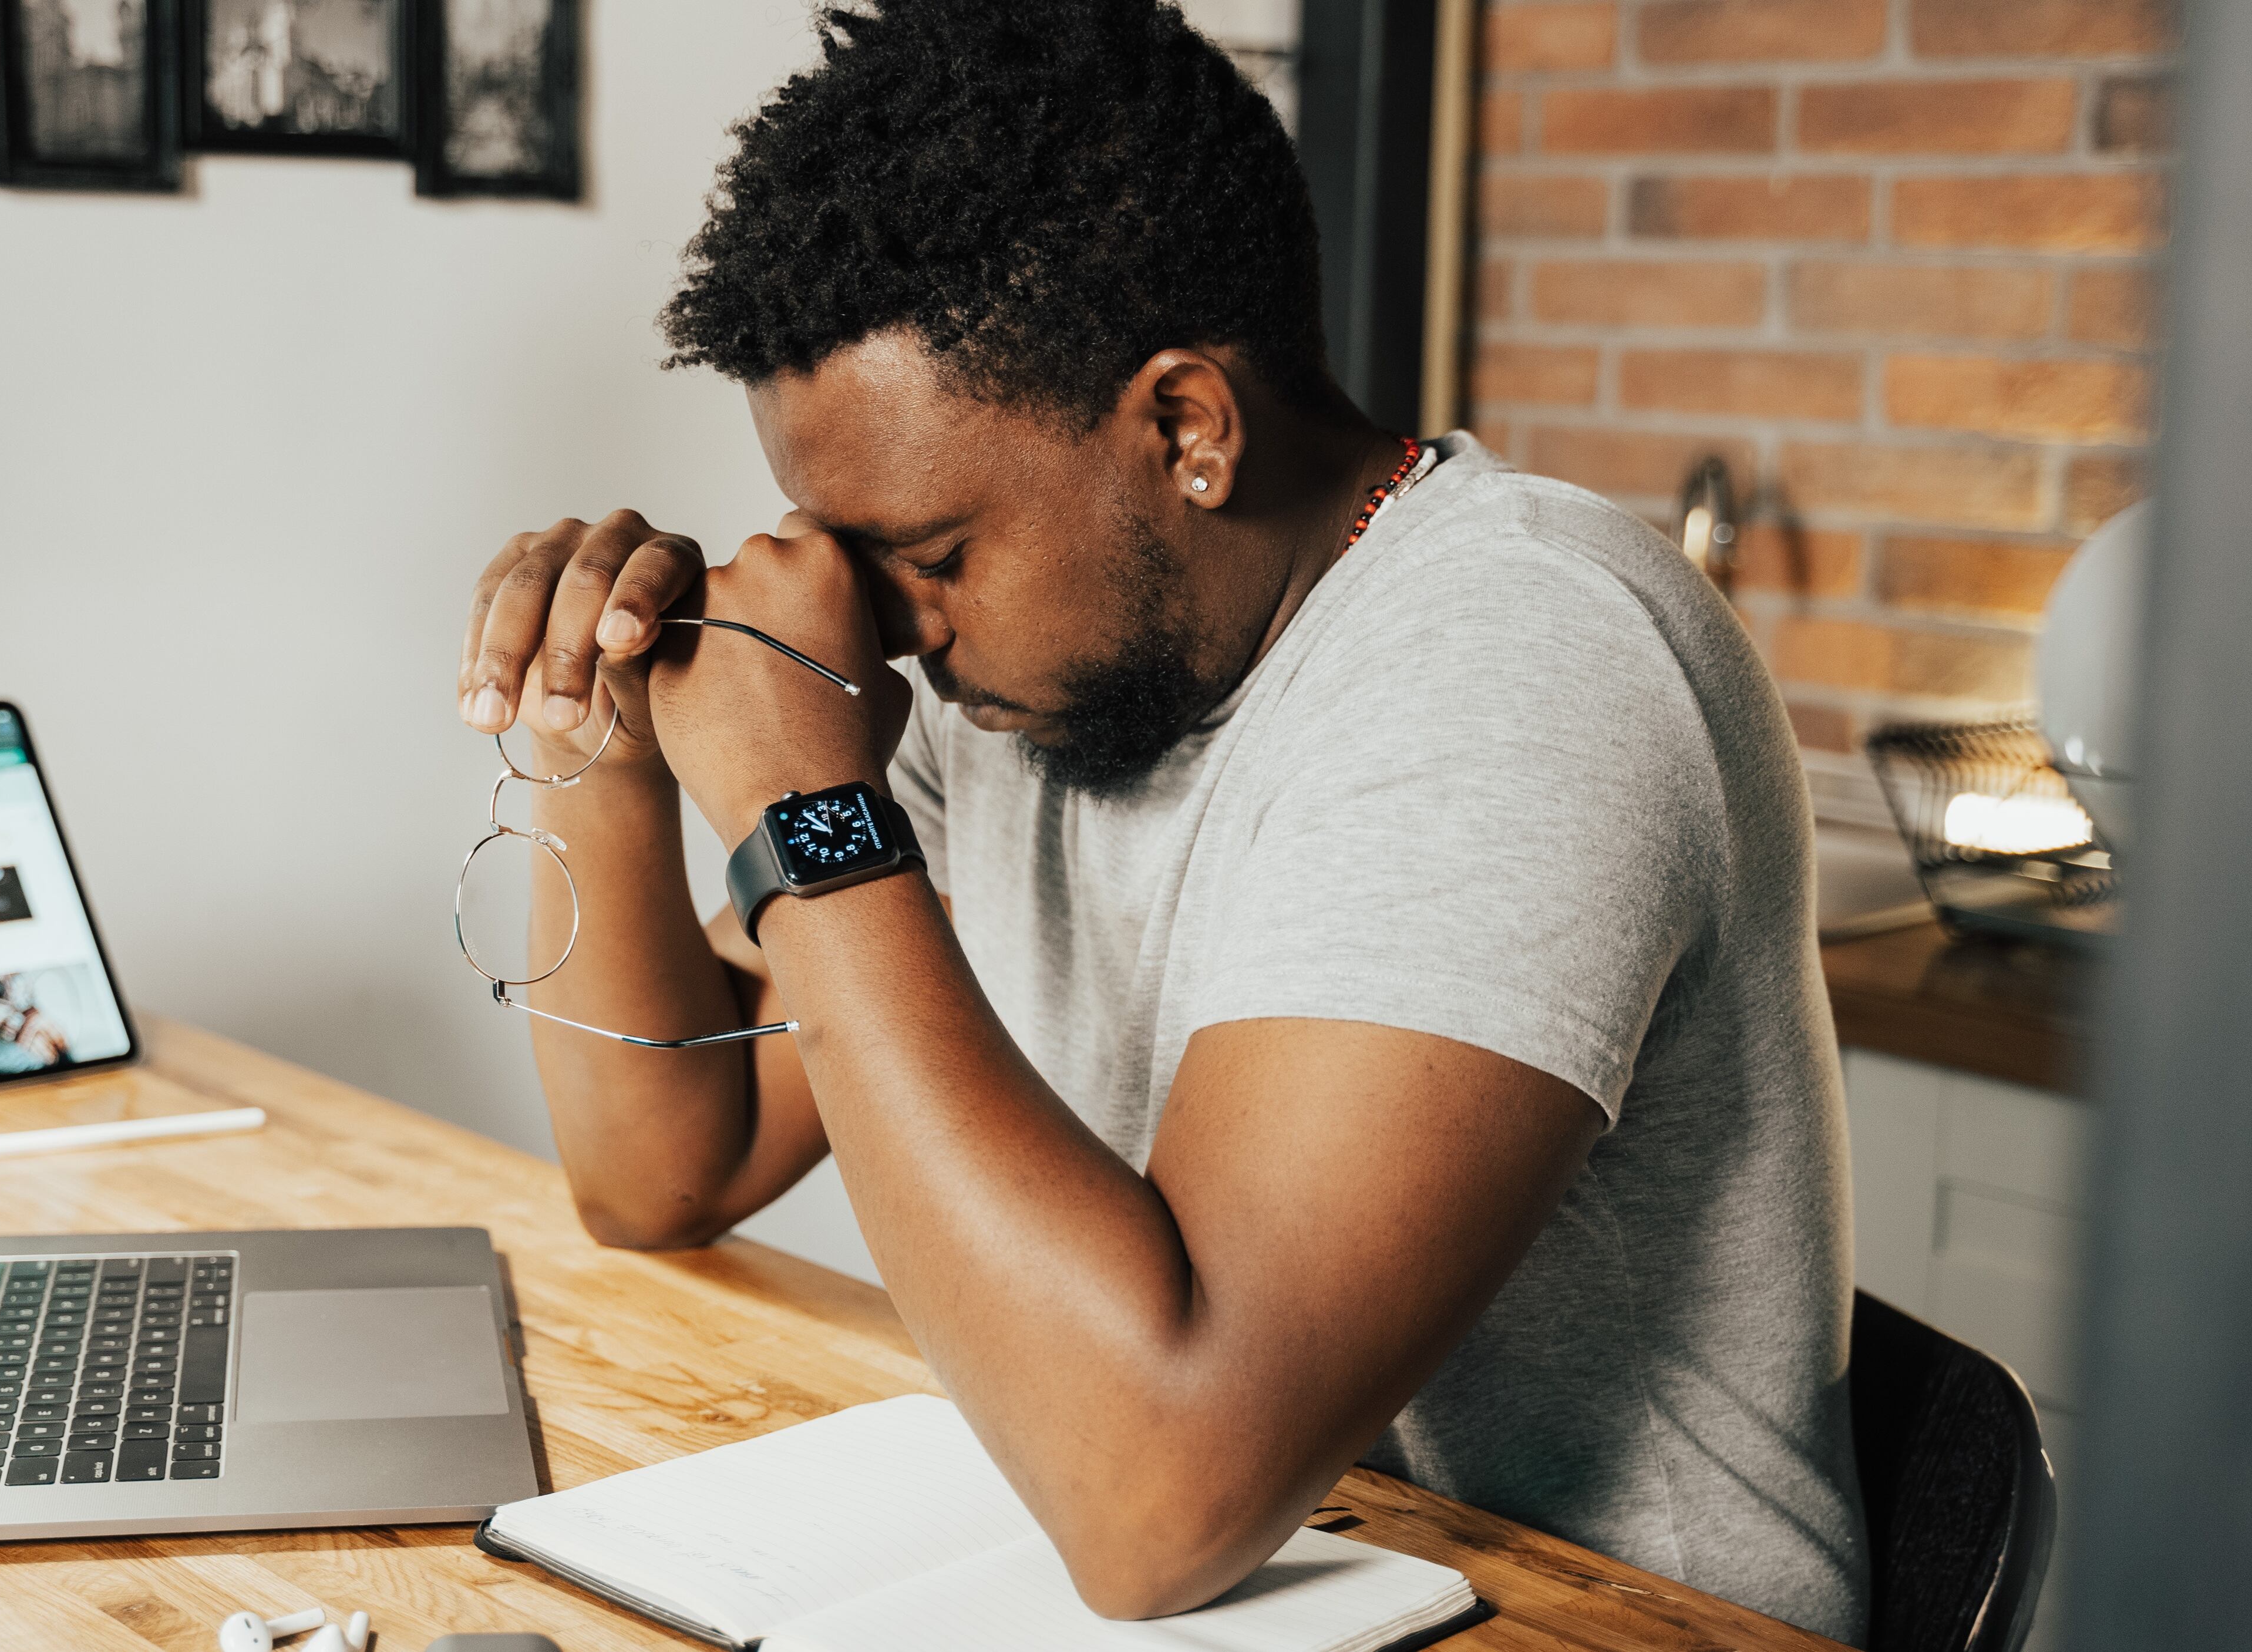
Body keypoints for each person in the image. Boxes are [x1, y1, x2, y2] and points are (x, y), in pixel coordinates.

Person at [454, 0, 1865, 1636]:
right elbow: (660, 1170)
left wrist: (808, 812)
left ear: (1187, 427)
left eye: (927, 552)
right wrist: (600, 729)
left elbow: (1157, 1503)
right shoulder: (1040, 683)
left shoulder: (1516, 656)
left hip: (1605, 1625)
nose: (884, 625)